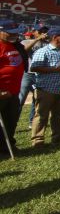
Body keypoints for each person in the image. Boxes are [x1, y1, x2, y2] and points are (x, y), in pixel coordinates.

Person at [29, 33, 60, 146]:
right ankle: (37, 140)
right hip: (46, 88)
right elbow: (34, 67)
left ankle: (58, 137)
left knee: (59, 115)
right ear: (56, 37)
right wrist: (56, 69)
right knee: (41, 115)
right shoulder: (44, 51)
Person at [0, 19, 26, 154]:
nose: (13, 35)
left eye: (15, 33)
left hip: (13, 92)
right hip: (2, 93)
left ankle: (7, 145)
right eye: (9, 33)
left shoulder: (14, 46)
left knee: (11, 122)